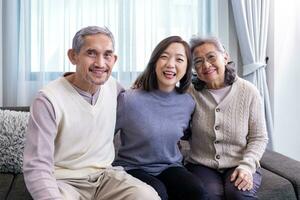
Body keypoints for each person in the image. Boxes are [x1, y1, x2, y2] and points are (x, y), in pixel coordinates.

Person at [23, 26, 160, 200]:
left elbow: (142, 103)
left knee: (147, 196)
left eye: (107, 55)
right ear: (73, 56)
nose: (101, 63)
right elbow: (37, 165)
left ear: (114, 59)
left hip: (105, 178)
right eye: (91, 53)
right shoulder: (48, 99)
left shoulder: (114, 88)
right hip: (63, 182)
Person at [113, 36, 208, 200]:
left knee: (196, 191)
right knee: (157, 193)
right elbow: (104, 136)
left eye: (179, 59)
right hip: (133, 168)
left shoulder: (188, 103)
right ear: (154, 62)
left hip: (170, 166)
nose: (171, 64)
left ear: (186, 68)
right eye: (164, 57)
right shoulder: (129, 99)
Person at [185, 36, 269, 200]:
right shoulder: (190, 93)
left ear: (225, 57)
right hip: (201, 164)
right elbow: (164, 97)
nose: (206, 65)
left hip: (240, 162)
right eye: (198, 61)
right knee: (207, 195)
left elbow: (259, 137)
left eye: (211, 57)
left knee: (238, 194)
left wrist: (247, 166)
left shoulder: (249, 91)